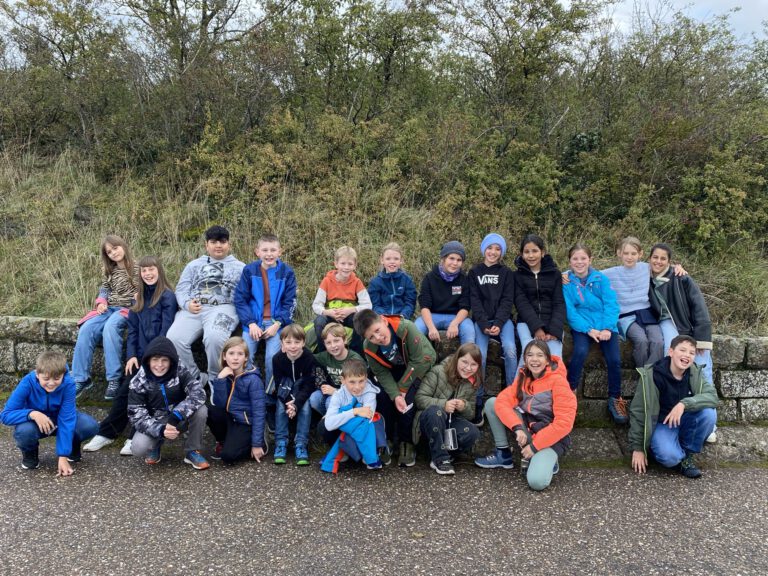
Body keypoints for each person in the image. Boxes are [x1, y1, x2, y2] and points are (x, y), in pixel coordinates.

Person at [83, 256, 176, 456]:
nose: (148, 274)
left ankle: (133, 435)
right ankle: (107, 433)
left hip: (159, 359)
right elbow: (133, 332)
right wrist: (132, 356)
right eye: (144, 271)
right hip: (140, 357)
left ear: (159, 271)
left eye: (151, 270)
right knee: (124, 392)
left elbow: (165, 332)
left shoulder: (168, 297)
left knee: (147, 395)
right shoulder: (137, 298)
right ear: (140, 274)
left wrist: (152, 360)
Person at [475, 340, 576, 491]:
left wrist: (535, 447)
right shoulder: (524, 377)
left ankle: (548, 460)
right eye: (530, 355)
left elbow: (563, 425)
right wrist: (517, 428)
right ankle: (503, 454)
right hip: (529, 430)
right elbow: (503, 401)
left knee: (537, 482)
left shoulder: (558, 381)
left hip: (551, 439)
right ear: (525, 358)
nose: (534, 359)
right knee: (492, 403)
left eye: (539, 355)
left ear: (548, 359)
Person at [649, 243, 717, 443]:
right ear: (649, 258)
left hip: (686, 326)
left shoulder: (681, 277)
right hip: (664, 324)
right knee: (671, 361)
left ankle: (711, 425)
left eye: (663, 258)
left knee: (704, 369)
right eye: (655, 257)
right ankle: (672, 419)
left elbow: (699, 308)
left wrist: (702, 340)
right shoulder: (644, 277)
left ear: (670, 262)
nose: (658, 261)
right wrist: (566, 275)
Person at [354, 309, 436, 467]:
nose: (377, 338)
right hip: (395, 369)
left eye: (377, 331)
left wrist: (402, 391)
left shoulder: (406, 328)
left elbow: (418, 360)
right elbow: (381, 373)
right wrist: (395, 394)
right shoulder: (368, 347)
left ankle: (407, 442)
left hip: (420, 363)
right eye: (371, 336)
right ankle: (386, 440)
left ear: (384, 320)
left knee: (409, 400)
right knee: (383, 396)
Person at [629, 335, 718, 478]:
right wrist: (638, 448)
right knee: (669, 458)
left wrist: (684, 404)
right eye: (682, 350)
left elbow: (713, 397)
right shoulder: (652, 375)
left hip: (686, 421)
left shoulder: (694, 372)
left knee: (709, 414)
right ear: (670, 352)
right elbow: (638, 411)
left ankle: (687, 456)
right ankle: (663, 449)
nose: (687, 355)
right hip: (663, 424)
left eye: (691, 353)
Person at [166, 225, 245, 384]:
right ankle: (195, 377)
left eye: (222, 241)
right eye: (214, 242)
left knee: (215, 337)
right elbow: (181, 289)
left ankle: (216, 379)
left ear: (229, 244)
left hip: (224, 308)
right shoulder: (194, 265)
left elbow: (247, 294)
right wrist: (187, 304)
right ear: (206, 245)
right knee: (174, 338)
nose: (218, 245)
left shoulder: (241, 267)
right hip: (194, 309)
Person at [1, 351, 98, 475]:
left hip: (58, 420)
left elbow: (66, 419)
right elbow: (5, 415)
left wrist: (62, 456)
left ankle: (72, 447)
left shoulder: (69, 384)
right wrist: (33, 414)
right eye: (46, 378)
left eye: (57, 378)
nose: (51, 383)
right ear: (37, 374)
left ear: (63, 374)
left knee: (89, 425)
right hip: (35, 424)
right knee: (24, 431)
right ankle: (30, 454)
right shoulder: (27, 382)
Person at [562, 244, 625, 424]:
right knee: (580, 351)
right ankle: (570, 391)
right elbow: (570, 311)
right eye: (575, 259)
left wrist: (606, 328)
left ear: (590, 260)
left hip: (605, 326)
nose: (579, 262)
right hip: (583, 326)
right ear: (570, 261)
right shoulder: (566, 282)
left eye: (583, 258)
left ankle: (615, 398)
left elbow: (611, 304)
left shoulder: (601, 279)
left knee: (614, 359)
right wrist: (588, 330)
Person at [127, 336, 209, 470]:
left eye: (164, 360)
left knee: (202, 410)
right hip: (155, 422)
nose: (159, 365)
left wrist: (176, 416)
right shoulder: (138, 381)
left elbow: (198, 392)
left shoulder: (179, 369)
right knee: (138, 448)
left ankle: (192, 451)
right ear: (148, 361)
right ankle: (155, 446)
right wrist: (160, 430)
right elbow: (136, 416)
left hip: (178, 417)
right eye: (155, 360)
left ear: (171, 361)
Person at [72, 234, 137, 398]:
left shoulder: (137, 267)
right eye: (109, 252)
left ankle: (114, 378)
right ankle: (81, 378)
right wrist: (101, 302)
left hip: (126, 309)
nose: (114, 253)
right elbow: (104, 289)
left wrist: (138, 297)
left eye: (115, 248)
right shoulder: (110, 270)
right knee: (87, 328)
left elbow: (143, 288)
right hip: (109, 309)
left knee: (111, 327)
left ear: (123, 246)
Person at [234, 232, 297, 391]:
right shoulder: (249, 270)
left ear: (280, 252)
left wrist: (278, 323)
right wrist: (250, 323)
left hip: (276, 323)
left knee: (272, 359)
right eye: (265, 250)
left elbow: (289, 303)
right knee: (243, 356)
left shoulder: (287, 272)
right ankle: (247, 390)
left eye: (273, 250)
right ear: (257, 252)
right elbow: (240, 299)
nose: (269, 254)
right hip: (253, 322)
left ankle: (269, 395)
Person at [469, 233, 517, 422]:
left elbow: (508, 300)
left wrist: (498, 323)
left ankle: (511, 396)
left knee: (511, 350)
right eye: (490, 248)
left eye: (498, 249)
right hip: (481, 321)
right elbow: (474, 299)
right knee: (479, 353)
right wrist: (483, 323)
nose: (493, 252)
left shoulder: (507, 273)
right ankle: (478, 398)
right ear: (484, 249)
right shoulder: (474, 272)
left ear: (502, 252)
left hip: (502, 321)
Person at [414, 343, 481, 475]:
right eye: (464, 362)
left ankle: (441, 454)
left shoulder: (473, 381)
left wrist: (464, 406)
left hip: (449, 423)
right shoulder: (438, 371)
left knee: (473, 432)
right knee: (436, 412)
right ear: (457, 359)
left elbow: (470, 415)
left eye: (473, 364)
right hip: (428, 423)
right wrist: (443, 404)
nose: (468, 368)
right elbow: (419, 399)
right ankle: (442, 460)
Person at [602, 237, 664, 369]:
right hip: (626, 317)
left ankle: (653, 374)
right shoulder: (611, 273)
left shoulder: (646, 268)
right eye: (626, 253)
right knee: (641, 340)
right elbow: (587, 273)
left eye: (633, 253)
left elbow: (665, 267)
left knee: (658, 341)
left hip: (647, 314)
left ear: (640, 254)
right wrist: (566, 274)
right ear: (619, 253)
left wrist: (679, 267)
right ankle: (643, 373)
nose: (629, 257)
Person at [207, 337, 267, 465]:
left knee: (227, 456)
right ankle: (223, 441)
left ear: (245, 358)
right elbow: (220, 404)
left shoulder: (253, 380)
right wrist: (220, 379)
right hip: (231, 420)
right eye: (231, 353)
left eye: (240, 354)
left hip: (245, 424)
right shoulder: (225, 374)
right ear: (224, 356)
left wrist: (256, 444)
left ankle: (257, 443)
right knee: (212, 411)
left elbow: (259, 412)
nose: (235, 358)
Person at [271, 324, 325, 466]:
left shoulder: (308, 358)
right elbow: (279, 384)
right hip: (285, 390)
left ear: (303, 342)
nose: (293, 346)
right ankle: (280, 442)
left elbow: (309, 385)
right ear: (282, 343)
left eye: (297, 342)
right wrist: (288, 401)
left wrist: (296, 404)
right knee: (280, 407)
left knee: (306, 408)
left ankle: (301, 443)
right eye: (288, 342)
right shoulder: (277, 359)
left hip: (303, 391)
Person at [321, 358, 386, 473]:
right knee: (322, 426)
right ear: (343, 380)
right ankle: (366, 455)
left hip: (360, 431)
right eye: (352, 382)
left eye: (361, 381)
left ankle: (345, 451)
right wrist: (354, 412)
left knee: (374, 421)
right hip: (354, 431)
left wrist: (342, 415)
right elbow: (329, 425)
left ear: (366, 378)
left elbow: (367, 418)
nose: (357, 387)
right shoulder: (338, 395)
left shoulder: (370, 393)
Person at [514, 234, 566, 363]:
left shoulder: (555, 274)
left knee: (554, 360)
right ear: (521, 254)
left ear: (542, 252)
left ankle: (551, 384)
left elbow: (559, 302)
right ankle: (520, 383)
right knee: (528, 356)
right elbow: (521, 303)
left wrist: (553, 331)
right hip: (526, 323)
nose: (531, 255)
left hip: (552, 323)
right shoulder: (516, 276)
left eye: (535, 251)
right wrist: (536, 328)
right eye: (527, 252)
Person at [312, 246, 372, 354]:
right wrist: (328, 312)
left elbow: (368, 305)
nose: (346, 267)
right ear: (336, 264)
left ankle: (355, 353)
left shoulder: (357, 282)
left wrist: (351, 310)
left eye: (350, 264)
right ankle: (323, 354)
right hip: (331, 314)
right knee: (319, 321)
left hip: (348, 315)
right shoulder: (327, 281)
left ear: (355, 265)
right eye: (343, 263)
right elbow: (316, 305)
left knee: (361, 321)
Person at [415, 241, 475, 345]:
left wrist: (454, 324)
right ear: (443, 258)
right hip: (432, 316)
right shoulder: (429, 278)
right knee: (416, 329)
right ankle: (419, 359)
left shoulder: (464, 279)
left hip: (456, 317)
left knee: (469, 329)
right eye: (451, 258)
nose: (455, 263)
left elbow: (465, 307)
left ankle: (467, 359)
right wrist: (431, 328)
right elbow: (424, 306)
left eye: (459, 260)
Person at [310, 322, 364, 417]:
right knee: (314, 398)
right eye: (328, 343)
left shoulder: (355, 360)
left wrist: (336, 391)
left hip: (351, 396)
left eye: (336, 341)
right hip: (331, 391)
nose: (333, 346)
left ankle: (337, 424)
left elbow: (359, 389)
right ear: (324, 345)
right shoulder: (325, 357)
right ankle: (330, 419)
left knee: (330, 402)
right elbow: (307, 357)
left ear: (345, 340)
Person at [368, 242, 417, 318]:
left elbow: (410, 303)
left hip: (402, 319)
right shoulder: (375, 282)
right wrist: (384, 316)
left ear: (401, 260)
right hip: (382, 320)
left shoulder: (407, 280)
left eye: (396, 259)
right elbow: (375, 305)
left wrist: (403, 316)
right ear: (382, 260)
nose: (392, 262)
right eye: (388, 259)